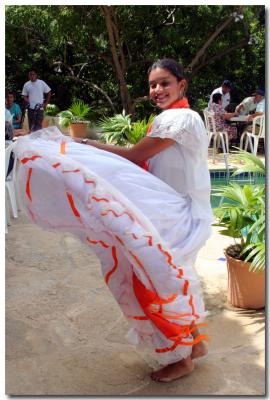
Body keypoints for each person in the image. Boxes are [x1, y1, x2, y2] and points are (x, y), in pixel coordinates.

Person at [15, 59, 213, 383]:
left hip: (176, 214)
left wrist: (86, 146)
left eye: (164, 83)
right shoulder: (174, 117)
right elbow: (141, 159)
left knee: (149, 283)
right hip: (172, 210)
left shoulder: (181, 118)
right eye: (152, 85)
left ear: (182, 85)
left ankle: (181, 358)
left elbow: (135, 157)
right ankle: (196, 344)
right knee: (168, 280)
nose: (157, 90)